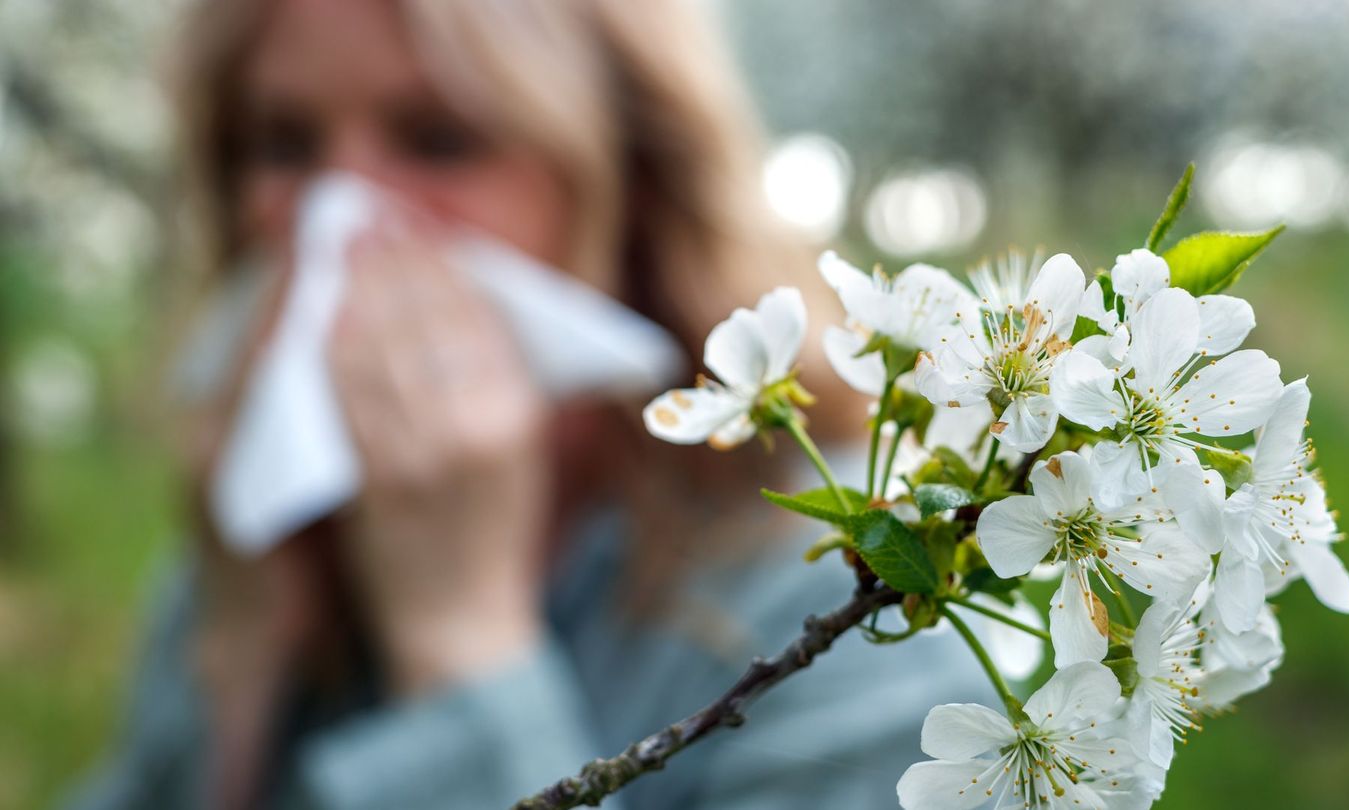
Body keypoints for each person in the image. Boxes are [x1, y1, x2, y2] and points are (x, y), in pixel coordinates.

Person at [68, 1, 988, 808]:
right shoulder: (273, 535)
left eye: (437, 138)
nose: (340, 212)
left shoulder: (839, 609)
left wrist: (459, 637)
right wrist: (234, 673)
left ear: (629, 179)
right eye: (285, 144)